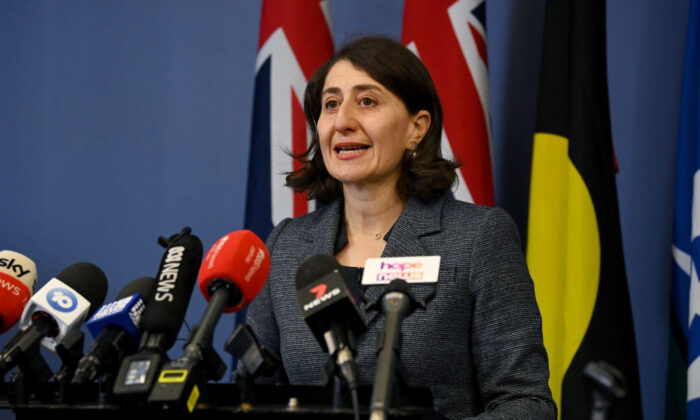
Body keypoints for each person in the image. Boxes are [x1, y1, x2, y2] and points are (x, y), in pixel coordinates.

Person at [245, 35, 556, 419]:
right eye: (330, 105)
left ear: (417, 127)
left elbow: (526, 403)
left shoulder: (477, 238)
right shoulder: (288, 246)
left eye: (367, 101)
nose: (342, 122)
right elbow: (256, 395)